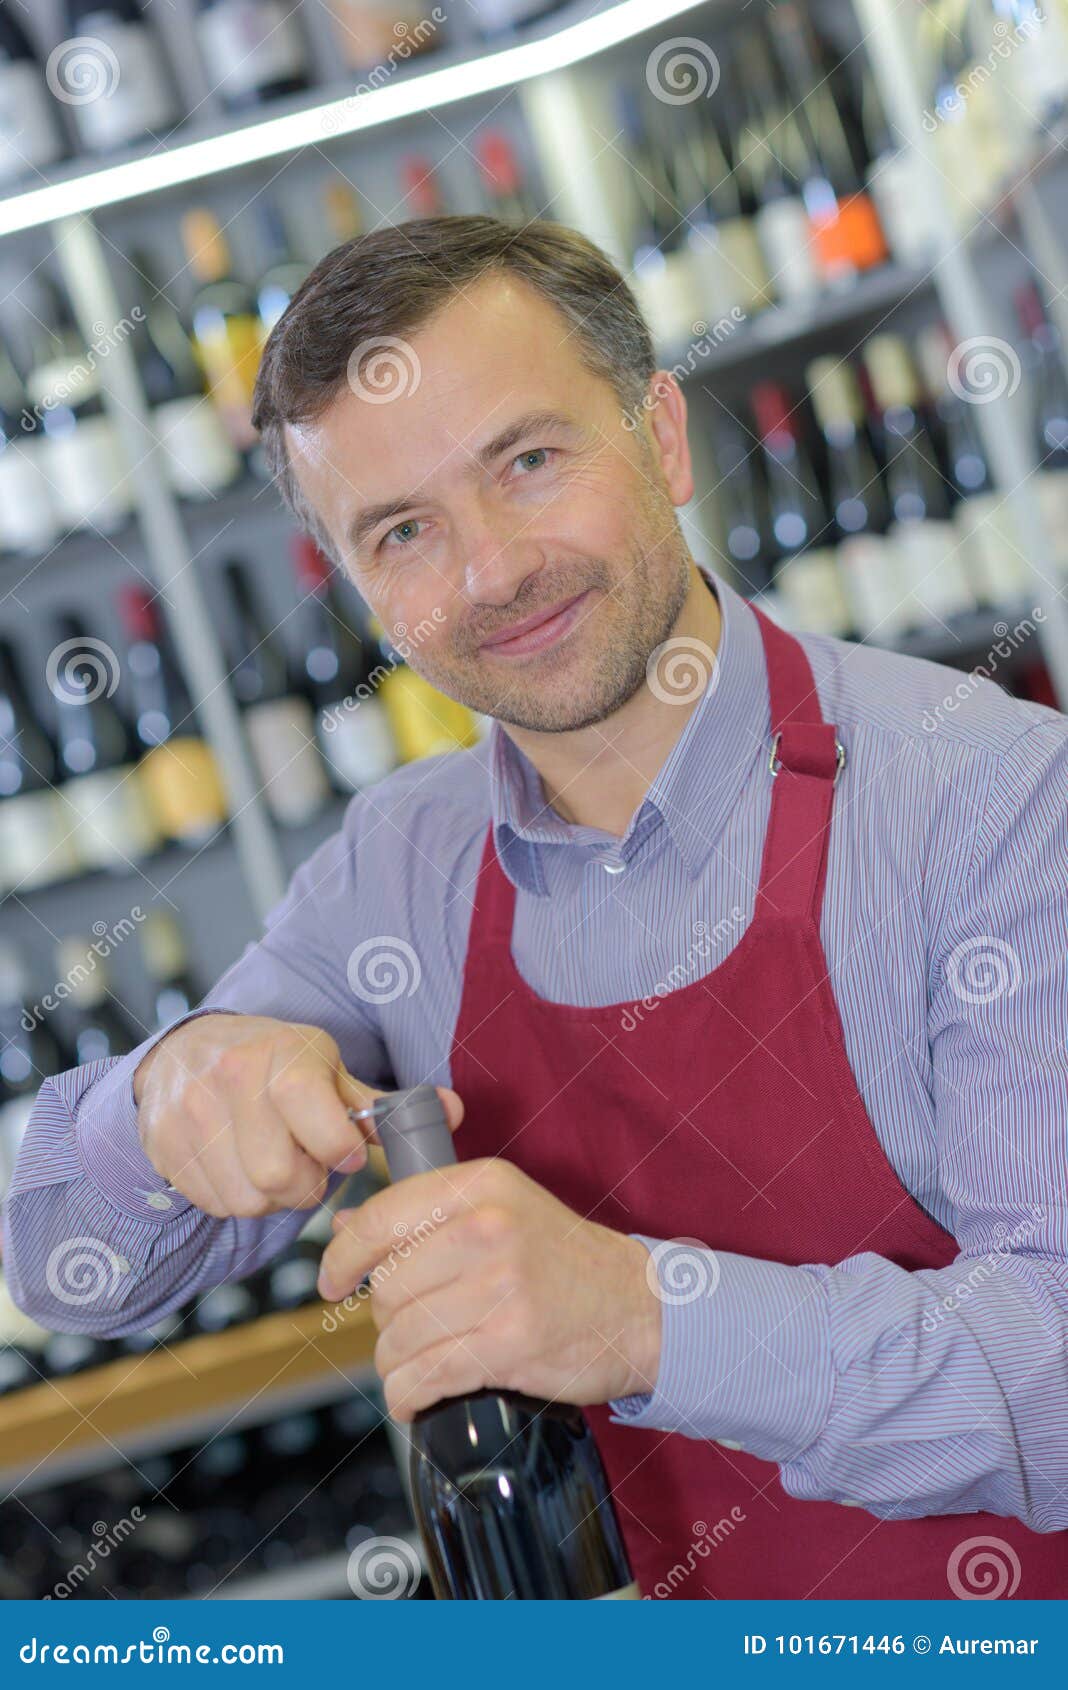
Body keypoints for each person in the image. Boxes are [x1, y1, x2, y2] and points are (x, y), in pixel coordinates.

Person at [5, 217, 1067, 1599]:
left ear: (663, 438)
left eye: (528, 461)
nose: (490, 571)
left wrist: (645, 1317)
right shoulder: (399, 868)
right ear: (360, 586)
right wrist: (162, 1102)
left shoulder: (985, 797)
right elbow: (65, 1266)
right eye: (402, 531)